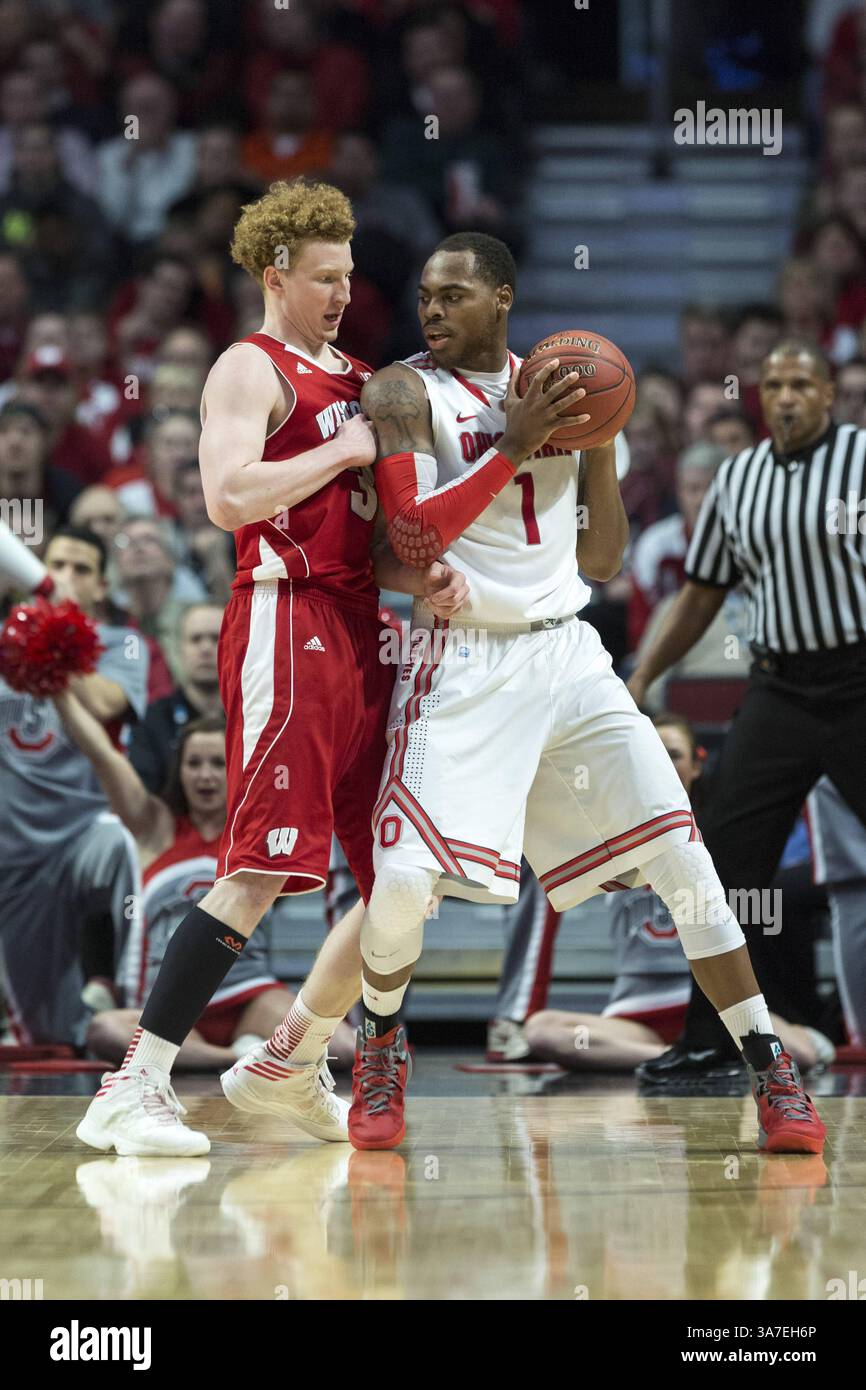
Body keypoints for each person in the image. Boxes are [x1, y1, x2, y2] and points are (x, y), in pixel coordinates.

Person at [352, 231, 826, 1156]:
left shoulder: (569, 384)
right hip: (463, 658)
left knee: (688, 864)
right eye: (425, 296)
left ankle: (771, 1067)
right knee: (405, 881)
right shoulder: (403, 391)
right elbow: (407, 542)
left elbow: (603, 559)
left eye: (454, 296)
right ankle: (380, 1038)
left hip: (568, 655)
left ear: (503, 300)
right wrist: (512, 448)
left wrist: (595, 446)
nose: (432, 311)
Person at [75, 178, 467, 1158]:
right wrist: (339, 451)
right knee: (254, 866)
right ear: (273, 274)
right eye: (324, 276)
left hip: (356, 621)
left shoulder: (361, 378)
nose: (343, 291)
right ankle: (137, 1082)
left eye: (348, 275)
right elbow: (226, 496)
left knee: (394, 873)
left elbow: (372, 538)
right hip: (282, 622)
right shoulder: (248, 369)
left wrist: (424, 573)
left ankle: (294, 1060)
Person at [627, 340, 866, 1084]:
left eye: (803, 384)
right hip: (780, 690)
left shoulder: (861, 460)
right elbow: (701, 592)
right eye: (776, 386)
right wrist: (640, 679)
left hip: (860, 680)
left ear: (829, 394)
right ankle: (712, 1037)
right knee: (724, 866)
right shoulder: (738, 478)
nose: (788, 397)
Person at [52, 694, 356, 1073]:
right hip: (173, 1001)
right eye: (194, 763)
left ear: (236, 769)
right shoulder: (154, 829)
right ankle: (243, 1061)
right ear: (178, 770)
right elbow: (103, 756)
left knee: (343, 1047)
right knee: (104, 1030)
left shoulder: (255, 832)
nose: (206, 775)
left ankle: (215, 1056)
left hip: (249, 996)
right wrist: (58, 692)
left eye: (218, 763)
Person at [521, 714, 835, 1072]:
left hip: (715, 1005)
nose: (662, 763)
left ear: (698, 764)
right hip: (637, 1018)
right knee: (542, 1032)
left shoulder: (727, 833)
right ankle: (683, 1057)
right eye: (652, 752)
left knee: (804, 1054)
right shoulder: (607, 828)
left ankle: (704, 1050)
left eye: (673, 754)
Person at [0, 525, 149, 1045]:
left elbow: (107, 703)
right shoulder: (4, 640)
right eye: (56, 566)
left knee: (119, 841)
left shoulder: (122, 644)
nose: (64, 577)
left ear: (102, 587)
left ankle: (137, 997)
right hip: (13, 857)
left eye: (81, 569)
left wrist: (50, 639)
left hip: (82, 837)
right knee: (49, 1034)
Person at [128, 601, 223, 794]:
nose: (206, 648)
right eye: (196, 639)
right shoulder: (151, 721)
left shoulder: (257, 717)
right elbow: (143, 800)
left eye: (216, 639)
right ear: (180, 649)